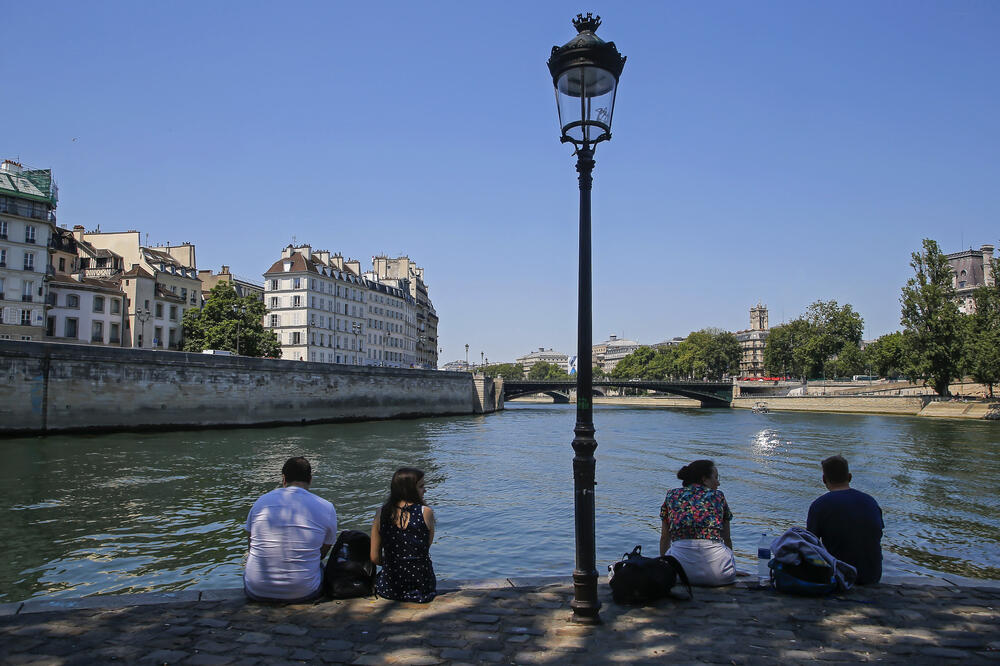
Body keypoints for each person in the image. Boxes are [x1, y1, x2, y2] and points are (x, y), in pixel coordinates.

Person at [243, 457, 338, 602]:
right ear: (310, 479)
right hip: (304, 591)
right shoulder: (326, 507)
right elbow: (322, 552)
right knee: (319, 565)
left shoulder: (260, 502)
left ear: (283, 479)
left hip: (256, 589)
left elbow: (251, 546)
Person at [807, 455, 884, 584]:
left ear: (824, 479)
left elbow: (811, 544)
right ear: (849, 477)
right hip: (872, 575)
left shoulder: (819, 505)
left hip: (840, 575)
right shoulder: (870, 502)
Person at [659, 459, 737, 586]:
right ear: (704, 479)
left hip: (678, 574)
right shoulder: (718, 497)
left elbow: (664, 537)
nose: (718, 483)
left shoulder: (672, 496)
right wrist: (730, 564)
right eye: (716, 478)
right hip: (719, 575)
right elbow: (726, 538)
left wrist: (663, 568)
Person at [370, 467, 436, 602]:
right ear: (410, 490)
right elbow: (424, 547)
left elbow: (374, 557)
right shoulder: (426, 512)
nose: (425, 490)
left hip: (390, 587)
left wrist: (393, 562)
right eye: (421, 486)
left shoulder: (381, 513)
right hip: (422, 586)